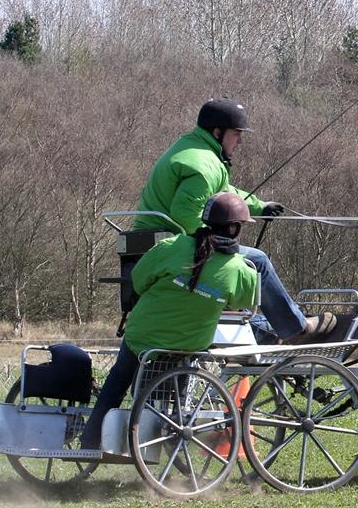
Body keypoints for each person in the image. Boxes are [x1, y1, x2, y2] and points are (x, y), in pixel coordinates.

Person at [133, 98, 334, 344]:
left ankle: (268, 333)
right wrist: (219, 244)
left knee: (237, 267)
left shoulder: (196, 151)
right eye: (236, 134)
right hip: (173, 240)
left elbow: (222, 192)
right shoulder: (203, 165)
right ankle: (296, 328)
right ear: (217, 132)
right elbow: (185, 214)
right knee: (257, 260)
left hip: (158, 238)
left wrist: (259, 205)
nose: (240, 141)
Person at [80, 192, 261, 449]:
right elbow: (242, 304)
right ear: (234, 228)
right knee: (180, 391)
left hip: (142, 338)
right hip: (188, 345)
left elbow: (140, 281)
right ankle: (174, 442)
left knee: (118, 380)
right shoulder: (241, 270)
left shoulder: (171, 247)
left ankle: (90, 440)